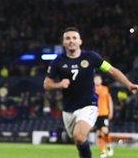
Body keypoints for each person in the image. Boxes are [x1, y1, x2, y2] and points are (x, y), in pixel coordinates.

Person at [44, 27, 138, 158]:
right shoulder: (58, 61)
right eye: (68, 38)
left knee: (79, 136)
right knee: (79, 141)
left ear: (80, 41)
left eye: (74, 38)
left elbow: (112, 70)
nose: (71, 41)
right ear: (64, 42)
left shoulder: (91, 57)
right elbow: (47, 84)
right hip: (68, 109)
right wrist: (59, 84)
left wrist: (129, 84)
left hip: (89, 105)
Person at [94, 75, 114, 158]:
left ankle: (109, 145)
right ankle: (103, 151)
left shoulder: (105, 89)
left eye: (99, 79)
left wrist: (111, 111)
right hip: (95, 114)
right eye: (96, 79)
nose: (97, 80)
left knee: (105, 131)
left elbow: (109, 101)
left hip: (104, 113)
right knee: (99, 133)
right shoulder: (91, 90)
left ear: (101, 80)